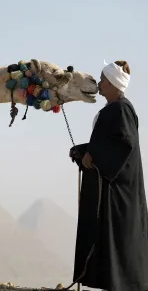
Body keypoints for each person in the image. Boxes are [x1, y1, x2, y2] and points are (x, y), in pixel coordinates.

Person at [69, 60, 148, 291]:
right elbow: (107, 144)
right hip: (110, 186)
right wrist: (84, 152)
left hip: (117, 192)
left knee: (118, 239)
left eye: (103, 80)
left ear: (114, 83)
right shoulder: (115, 109)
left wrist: (94, 155)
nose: (100, 83)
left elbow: (124, 144)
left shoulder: (120, 109)